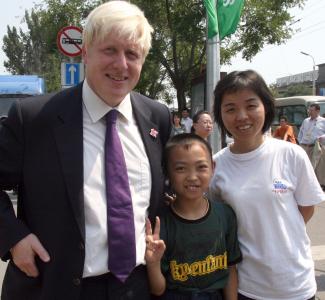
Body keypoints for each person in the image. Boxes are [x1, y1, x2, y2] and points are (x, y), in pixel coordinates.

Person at [0, 2, 171, 300]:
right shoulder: (33, 118)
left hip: (135, 287)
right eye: (110, 50)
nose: (121, 64)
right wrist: (14, 238)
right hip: (53, 286)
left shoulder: (157, 118)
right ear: (86, 52)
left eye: (132, 54)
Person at [210, 70, 325, 300]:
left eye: (251, 105)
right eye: (230, 108)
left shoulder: (292, 155)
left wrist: (280, 234)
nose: (241, 116)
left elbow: (306, 208)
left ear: (266, 106)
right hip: (248, 287)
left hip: (296, 284)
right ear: (220, 114)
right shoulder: (216, 165)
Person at [145, 133, 242, 300]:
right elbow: (158, 290)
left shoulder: (225, 215)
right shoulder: (160, 225)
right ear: (167, 172)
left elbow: (230, 268)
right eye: (181, 168)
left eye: (201, 167)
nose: (192, 177)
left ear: (213, 167)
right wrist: (153, 264)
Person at [298, 103, 325, 190]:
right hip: (305, 146)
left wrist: (321, 138)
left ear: (318, 111)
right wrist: (301, 142)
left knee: (318, 167)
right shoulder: (305, 121)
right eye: (309, 110)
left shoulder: (323, 121)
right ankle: (306, 185)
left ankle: (319, 185)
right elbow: (301, 132)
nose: (309, 112)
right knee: (305, 166)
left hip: (317, 146)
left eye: (312, 110)